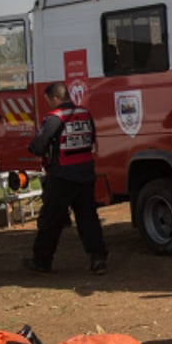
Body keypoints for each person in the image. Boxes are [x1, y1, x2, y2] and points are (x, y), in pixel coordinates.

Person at [22, 82, 108, 274]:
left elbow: (38, 147)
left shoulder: (54, 118)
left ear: (55, 99)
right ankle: (98, 259)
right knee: (88, 219)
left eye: (48, 101)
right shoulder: (85, 114)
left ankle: (42, 261)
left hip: (62, 176)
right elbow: (91, 138)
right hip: (85, 173)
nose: (49, 105)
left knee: (51, 220)